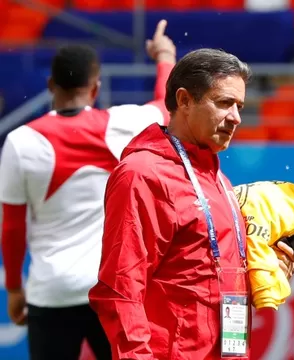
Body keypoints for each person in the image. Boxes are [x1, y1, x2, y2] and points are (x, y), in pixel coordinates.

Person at [88, 48, 294, 360]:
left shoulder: (217, 178)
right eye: (225, 103)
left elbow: (202, 273)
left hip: (228, 351)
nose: (236, 118)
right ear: (184, 100)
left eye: (239, 106)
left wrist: (264, 270)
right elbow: (121, 287)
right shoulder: (142, 174)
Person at [0, 20, 176, 360]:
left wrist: (13, 290)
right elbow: (166, 107)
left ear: (50, 84)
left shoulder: (20, 142)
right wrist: (165, 55)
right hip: (110, 289)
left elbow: (12, 227)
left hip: (50, 293)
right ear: (95, 88)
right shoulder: (122, 124)